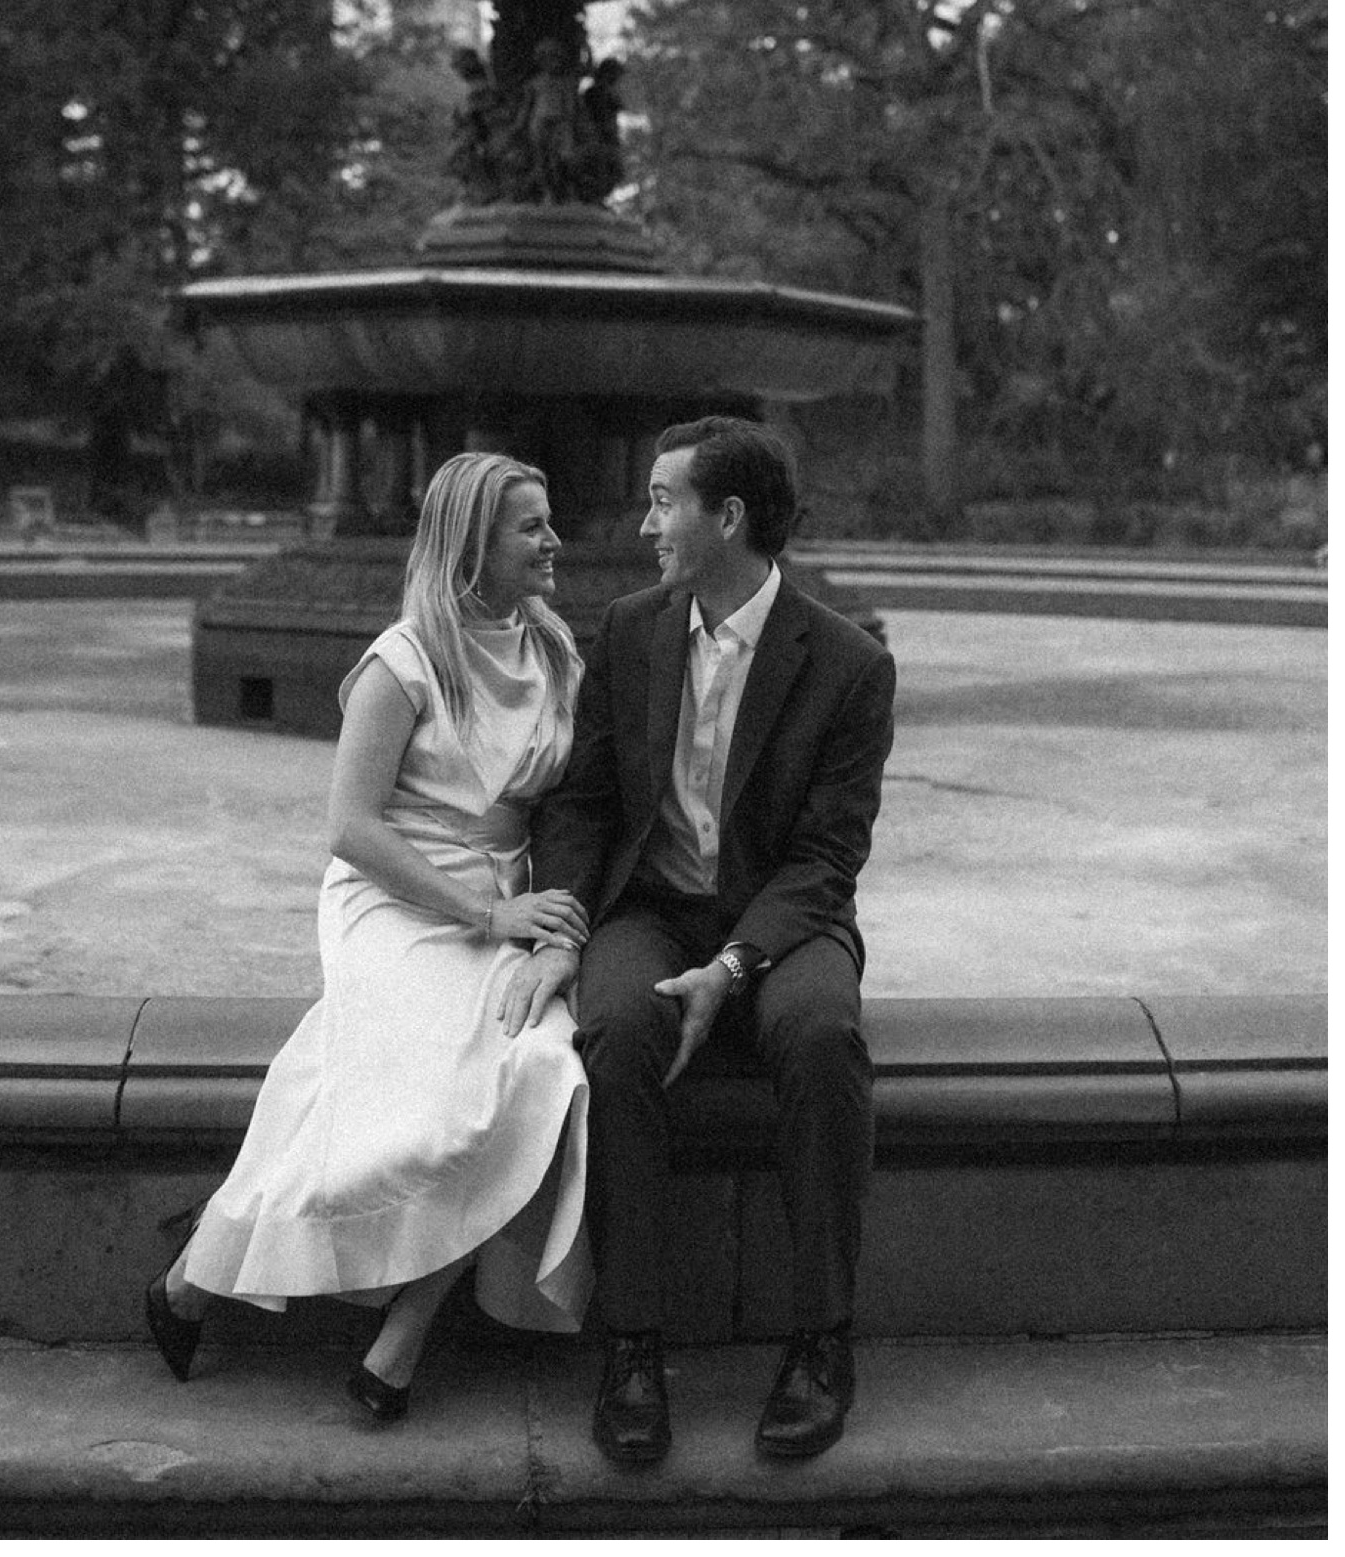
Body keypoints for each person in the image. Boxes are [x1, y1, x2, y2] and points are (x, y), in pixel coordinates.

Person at [145, 453, 594, 1420]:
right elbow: (350, 827)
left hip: (512, 896)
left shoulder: (555, 650)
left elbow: (573, 807)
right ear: (471, 543)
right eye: (531, 526)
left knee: (541, 1066)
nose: (554, 540)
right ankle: (199, 1275)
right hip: (396, 900)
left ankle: (400, 1332)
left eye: (548, 520)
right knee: (436, 1093)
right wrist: (485, 915)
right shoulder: (404, 660)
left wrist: (547, 919)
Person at [503, 416, 895, 1465]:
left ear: (727, 516)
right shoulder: (631, 628)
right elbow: (583, 800)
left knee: (821, 1038)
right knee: (616, 1029)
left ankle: (821, 1338)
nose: (645, 525)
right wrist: (563, 925)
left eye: (662, 500)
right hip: (652, 906)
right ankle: (632, 1343)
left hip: (783, 919)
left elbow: (828, 855)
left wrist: (733, 966)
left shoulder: (851, 663)